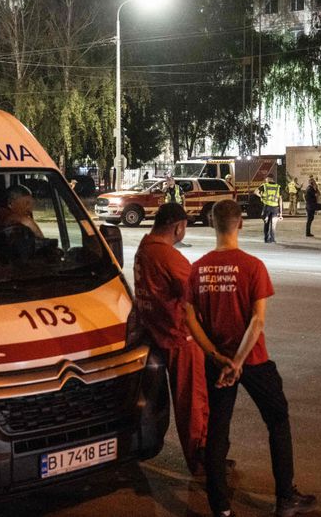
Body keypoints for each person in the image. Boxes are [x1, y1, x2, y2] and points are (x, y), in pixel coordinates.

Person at [185, 200, 317, 517]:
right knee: (277, 421)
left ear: (212, 223)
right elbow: (257, 321)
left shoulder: (197, 268)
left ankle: (220, 507)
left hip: (218, 364)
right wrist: (239, 361)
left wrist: (218, 357)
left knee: (218, 431)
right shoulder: (252, 266)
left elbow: (190, 318)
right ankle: (285, 497)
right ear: (240, 223)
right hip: (254, 360)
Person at [133, 203, 209, 476]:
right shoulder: (167, 256)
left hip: (156, 333)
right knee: (193, 402)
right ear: (178, 227)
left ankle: (203, 454)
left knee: (186, 400)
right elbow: (195, 290)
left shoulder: (145, 248)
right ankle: (201, 459)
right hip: (180, 336)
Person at [258, 174, 282, 243]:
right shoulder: (278, 187)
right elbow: (280, 199)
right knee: (273, 224)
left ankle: (266, 239)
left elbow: (256, 192)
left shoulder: (264, 185)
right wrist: (281, 213)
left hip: (267, 207)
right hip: (275, 208)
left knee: (266, 223)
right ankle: (272, 239)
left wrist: (261, 196)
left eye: (266, 179)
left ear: (269, 178)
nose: (266, 180)